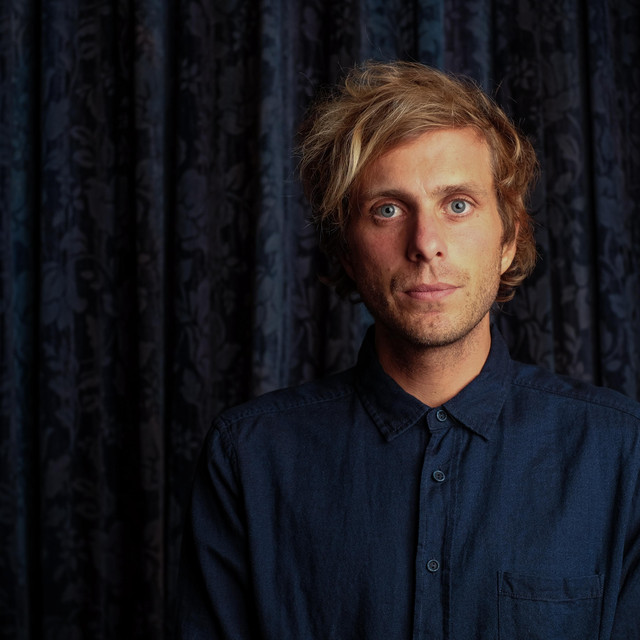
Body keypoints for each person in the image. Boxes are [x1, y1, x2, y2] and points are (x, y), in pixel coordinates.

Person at [174, 61, 640, 639]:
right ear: (346, 250)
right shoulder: (247, 458)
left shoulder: (621, 453)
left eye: (458, 204)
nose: (425, 244)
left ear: (509, 239)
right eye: (388, 210)